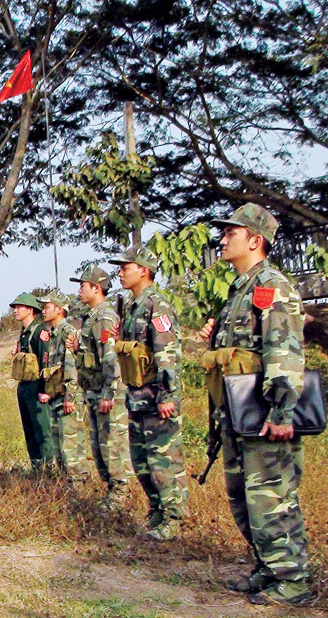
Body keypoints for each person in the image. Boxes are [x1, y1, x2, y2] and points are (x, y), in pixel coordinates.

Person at [199, 203, 314, 606]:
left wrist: (283, 412)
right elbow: (241, 349)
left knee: (271, 496)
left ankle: (294, 581)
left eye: (232, 232)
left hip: (265, 414)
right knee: (244, 496)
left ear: (255, 240)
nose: (224, 238)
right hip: (238, 413)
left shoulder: (270, 285)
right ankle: (269, 567)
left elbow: (283, 350)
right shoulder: (240, 289)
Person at [109, 245, 188, 540]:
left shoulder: (158, 305)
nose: (120, 273)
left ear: (143, 270)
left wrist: (168, 395)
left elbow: (167, 353)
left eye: (125, 267)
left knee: (164, 460)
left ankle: (174, 518)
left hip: (156, 398)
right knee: (142, 461)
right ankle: (156, 512)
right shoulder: (131, 307)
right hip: (136, 397)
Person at [67, 266, 132, 508]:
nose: (79, 290)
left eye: (83, 285)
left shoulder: (104, 316)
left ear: (96, 288)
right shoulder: (91, 317)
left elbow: (111, 358)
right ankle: (110, 490)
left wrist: (110, 392)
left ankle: (120, 494)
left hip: (107, 394)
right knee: (99, 445)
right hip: (93, 391)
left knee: (112, 444)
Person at [39, 292, 89, 481]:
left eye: (47, 307)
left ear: (59, 309)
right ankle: (65, 485)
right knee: (59, 447)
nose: (44, 311)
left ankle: (78, 485)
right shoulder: (52, 335)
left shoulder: (68, 333)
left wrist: (70, 396)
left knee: (71, 446)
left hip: (67, 397)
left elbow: (71, 367)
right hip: (56, 397)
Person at [9, 292, 54, 470]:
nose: (15, 310)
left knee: (42, 429)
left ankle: (48, 468)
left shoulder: (40, 332)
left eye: (19, 307)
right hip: (24, 385)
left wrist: (45, 390)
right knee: (29, 428)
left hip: (37, 386)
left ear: (30, 310)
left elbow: (45, 362)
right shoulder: (24, 333)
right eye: (15, 307)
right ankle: (36, 467)